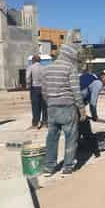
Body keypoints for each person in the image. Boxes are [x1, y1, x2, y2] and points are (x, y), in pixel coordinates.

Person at [41, 44, 86, 176]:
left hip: (52, 108)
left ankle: (49, 167)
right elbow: (76, 91)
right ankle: (67, 166)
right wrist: (81, 109)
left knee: (52, 137)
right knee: (71, 136)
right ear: (70, 56)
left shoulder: (47, 68)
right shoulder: (70, 68)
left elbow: (44, 91)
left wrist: (50, 103)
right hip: (67, 107)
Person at [78, 69, 105, 157]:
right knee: (85, 125)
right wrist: (94, 115)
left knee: (78, 125)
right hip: (75, 103)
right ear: (104, 76)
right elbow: (93, 103)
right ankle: (92, 147)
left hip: (72, 102)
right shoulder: (98, 83)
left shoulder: (92, 76)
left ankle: (78, 144)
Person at [26, 55, 47, 129]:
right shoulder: (44, 67)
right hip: (44, 88)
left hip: (35, 88)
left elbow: (28, 77)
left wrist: (28, 86)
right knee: (44, 106)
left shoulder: (30, 67)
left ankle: (35, 124)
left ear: (33, 60)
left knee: (35, 106)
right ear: (39, 60)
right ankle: (45, 123)